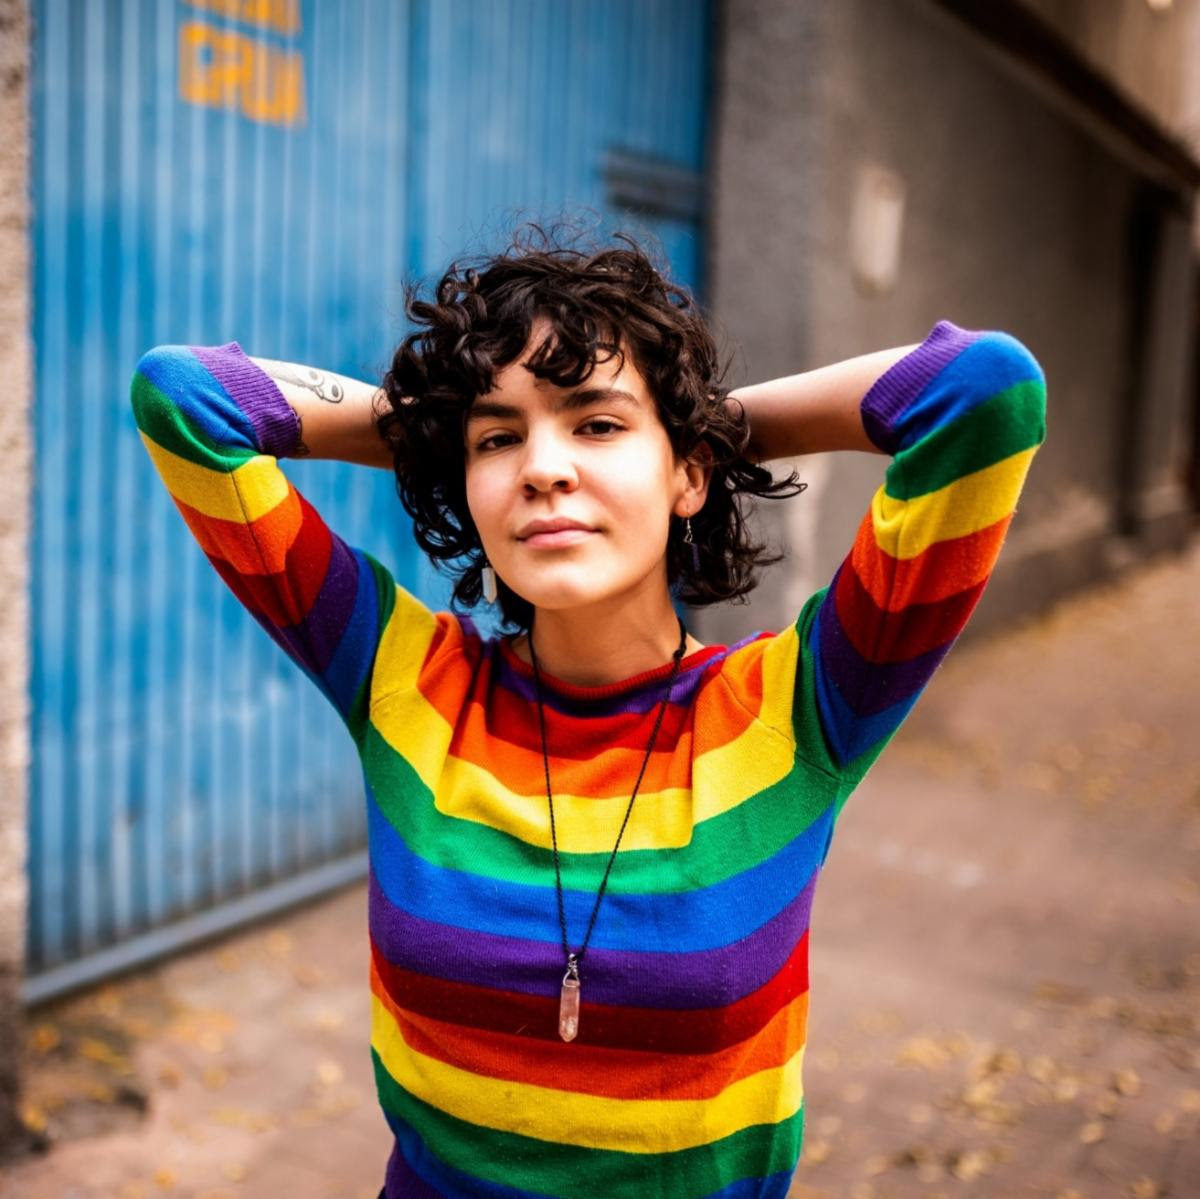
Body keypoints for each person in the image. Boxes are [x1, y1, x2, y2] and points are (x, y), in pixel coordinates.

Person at [128, 223, 1047, 1199]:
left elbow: (984, 391)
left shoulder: (799, 709)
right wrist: (445, 426)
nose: (544, 467)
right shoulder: (402, 679)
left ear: (689, 473)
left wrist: (706, 424)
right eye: (499, 438)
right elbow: (187, 397)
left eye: (596, 424)